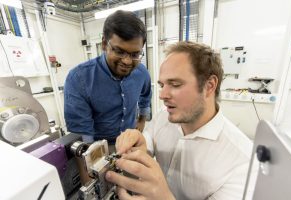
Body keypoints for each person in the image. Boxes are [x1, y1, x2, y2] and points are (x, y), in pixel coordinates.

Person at [105, 41, 254, 200]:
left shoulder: (244, 163)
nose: (162, 95)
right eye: (162, 85)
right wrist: (139, 143)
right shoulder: (164, 116)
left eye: (175, 84)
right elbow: (147, 141)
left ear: (209, 86)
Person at [64, 10, 152, 145]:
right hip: (99, 145)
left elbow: (145, 96)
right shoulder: (79, 79)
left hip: (130, 140)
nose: (127, 61)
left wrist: (141, 120)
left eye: (135, 54)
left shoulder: (141, 72)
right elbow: (83, 133)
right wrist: (94, 159)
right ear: (105, 44)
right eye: (119, 51)